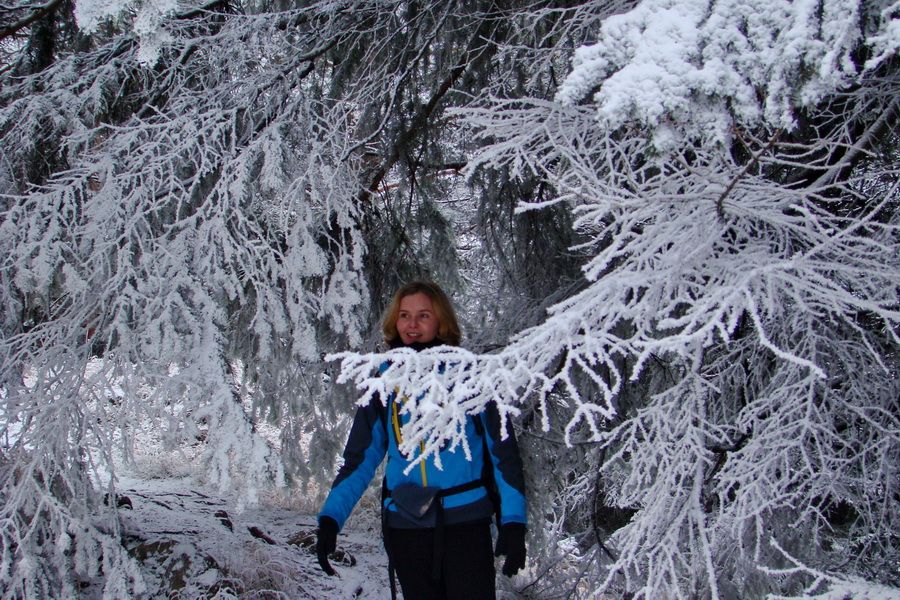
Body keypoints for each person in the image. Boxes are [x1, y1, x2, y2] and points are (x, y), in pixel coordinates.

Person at [316, 281, 527, 600]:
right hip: (406, 528)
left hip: (466, 526)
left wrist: (513, 523)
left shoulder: (473, 377)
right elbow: (359, 462)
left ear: (441, 320)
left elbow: (504, 457)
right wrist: (331, 519)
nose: (411, 325)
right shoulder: (383, 383)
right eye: (404, 315)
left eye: (423, 315)